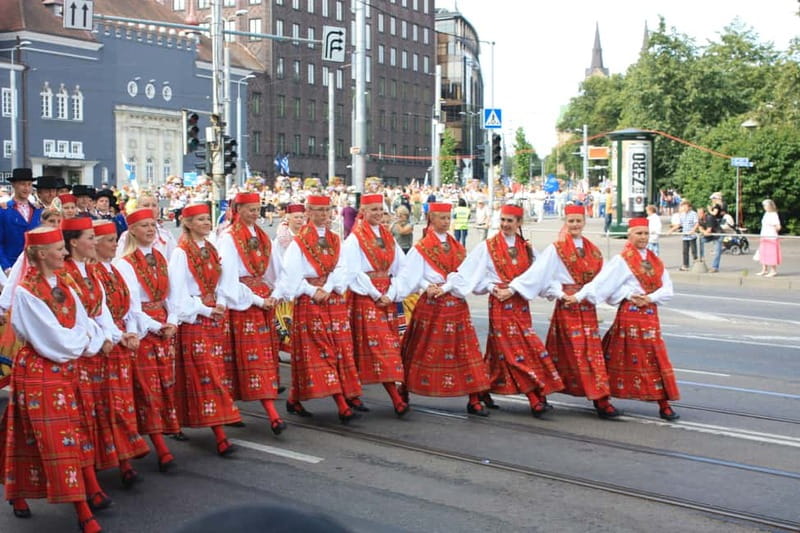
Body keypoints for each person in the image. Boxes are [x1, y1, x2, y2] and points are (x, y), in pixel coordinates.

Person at [0, 226, 107, 533]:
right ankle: (83, 510)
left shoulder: (65, 283)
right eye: (59, 249)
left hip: (67, 368)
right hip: (41, 370)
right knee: (57, 438)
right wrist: (80, 342)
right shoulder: (25, 291)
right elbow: (53, 341)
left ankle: (18, 491)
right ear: (41, 254)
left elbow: (83, 322)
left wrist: (84, 339)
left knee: (62, 433)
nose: (64, 253)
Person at [454, 204, 564, 417]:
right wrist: (492, 287)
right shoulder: (488, 246)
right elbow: (473, 272)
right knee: (515, 351)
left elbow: (539, 274)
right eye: (502, 220)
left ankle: (479, 394)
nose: (505, 225)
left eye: (509, 221)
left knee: (503, 351)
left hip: (520, 304)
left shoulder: (527, 247)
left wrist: (554, 292)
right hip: (500, 303)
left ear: (519, 223)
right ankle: (535, 398)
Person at [511, 205, 618, 419]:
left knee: (591, 352)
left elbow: (602, 278)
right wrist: (560, 294)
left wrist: (588, 294)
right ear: (565, 222)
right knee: (569, 352)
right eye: (571, 221)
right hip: (567, 304)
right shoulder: (556, 248)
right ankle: (545, 391)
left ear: (584, 222)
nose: (575, 225)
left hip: (585, 305)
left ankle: (601, 398)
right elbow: (543, 273)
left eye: (578, 221)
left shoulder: (593, 250)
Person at [570, 218, 680, 421]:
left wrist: (649, 297)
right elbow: (604, 283)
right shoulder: (623, 260)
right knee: (617, 355)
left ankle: (663, 403)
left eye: (646, 233)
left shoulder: (655, 260)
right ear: (629, 235)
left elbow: (667, 289)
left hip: (649, 315)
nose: (643, 237)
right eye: (639, 233)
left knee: (654, 357)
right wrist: (628, 294)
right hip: (629, 315)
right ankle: (602, 399)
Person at [396, 203, 491, 416]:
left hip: (455, 303)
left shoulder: (456, 246)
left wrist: (447, 286)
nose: (446, 222)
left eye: (448, 218)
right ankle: (404, 390)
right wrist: (425, 286)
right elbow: (410, 274)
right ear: (431, 218)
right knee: (419, 347)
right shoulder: (422, 247)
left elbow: (464, 273)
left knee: (466, 350)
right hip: (432, 304)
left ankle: (474, 397)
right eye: (442, 218)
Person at [59, 217, 126, 507]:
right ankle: (88, 486)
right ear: (74, 242)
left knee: (96, 415)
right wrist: (100, 341)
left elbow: (101, 311)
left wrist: (113, 335)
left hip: (96, 353)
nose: (94, 242)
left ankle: (96, 473)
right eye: (90, 237)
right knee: (79, 422)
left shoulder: (90, 271)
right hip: (80, 356)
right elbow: (76, 320)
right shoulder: (65, 275)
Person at [278, 195, 362, 423]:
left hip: (332, 299)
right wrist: (312, 290)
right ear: (308, 212)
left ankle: (295, 398)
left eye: (326, 210)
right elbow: (291, 274)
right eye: (318, 210)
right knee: (319, 351)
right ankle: (341, 404)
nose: (323, 215)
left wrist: (329, 286)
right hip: (311, 300)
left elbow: (343, 267)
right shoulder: (299, 242)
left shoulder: (336, 240)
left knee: (339, 350)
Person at [168, 203, 243, 454]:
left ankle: (179, 420)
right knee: (206, 375)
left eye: (207, 219)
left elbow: (223, 280)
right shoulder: (180, 253)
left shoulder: (210, 248)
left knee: (215, 373)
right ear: (188, 223)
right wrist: (206, 309)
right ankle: (220, 435)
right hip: (195, 321)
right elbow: (177, 295)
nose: (206, 223)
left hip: (213, 319)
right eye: (200, 220)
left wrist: (221, 302)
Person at [114, 208, 181, 472]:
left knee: (164, 385)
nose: (151, 230)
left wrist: (173, 320)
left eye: (153, 225)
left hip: (163, 327)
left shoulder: (161, 259)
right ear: (131, 230)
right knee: (146, 389)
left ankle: (159, 439)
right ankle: (159, 448)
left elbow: (171, 295)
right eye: (144, 226)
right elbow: (132, 305)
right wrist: (157, 326)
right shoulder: (125, 263)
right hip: (144, 330)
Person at [217, 193, 287, 435]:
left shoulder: (264, 236)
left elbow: (276, 270)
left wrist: (276, 293)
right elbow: (227, 280)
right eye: (250, 210)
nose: (255, 214)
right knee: (246, 359)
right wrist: (258, 299)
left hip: (263, 303)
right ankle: (269, 414)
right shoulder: (228, 238)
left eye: (258, 209)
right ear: (238, 210)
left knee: (262, 359)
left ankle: (258, 409)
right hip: (242, 304)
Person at [88, 220, 150, 489]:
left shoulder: (117, 269)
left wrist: (133, 331)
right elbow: (97, 313)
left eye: (115, 239)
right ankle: (113, 460)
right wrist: (116, 336)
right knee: (106, 405)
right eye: (109, 240)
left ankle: (125, 459)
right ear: (95, 244)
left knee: (122, 402)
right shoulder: (90, 272)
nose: (115, 244)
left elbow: (131, 307)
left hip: (121, 341)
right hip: (103, 346)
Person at [343, 194, 409, 417]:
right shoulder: (354, 239)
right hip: (365, 297)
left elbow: (402, 267)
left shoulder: (387, 237)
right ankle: (395, 398)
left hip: (385, 297)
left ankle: (351, 393)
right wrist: (374, 292)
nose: (378, 214)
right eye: (373, 210)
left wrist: (391, 293)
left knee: (381, 346)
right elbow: (353, 271)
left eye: (380, 210)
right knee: (382, 348)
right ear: (363, 211)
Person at [0, 168, 42, 275]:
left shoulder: (38, 211)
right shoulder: (4, 210)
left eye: (29, 184)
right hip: (12, 266)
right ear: (14, 185)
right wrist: (6, 266)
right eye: (22, 184)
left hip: (35, 267)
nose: (26, 188)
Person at [116, 192, 176, 260]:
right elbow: (118, 262)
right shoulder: (126, 236)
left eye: (154, 205)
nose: (150, 208)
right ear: (137, 208)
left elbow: (173, 262)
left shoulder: (166, 235)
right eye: (146, 205)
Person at [670, 199, 698, 271]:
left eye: (685, 207)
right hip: (685, 236)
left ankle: (696, 264)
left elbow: (697, 223)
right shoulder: (682, 215)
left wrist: (693, 230)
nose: (684, 208)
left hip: (692, 236)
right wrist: (672, 230)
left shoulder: (693, 213)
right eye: (683, 207)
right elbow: (679, 224)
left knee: (694, 251)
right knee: (685, 251)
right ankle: (685, 265)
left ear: (689, 207)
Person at [757, 199, 781, 277]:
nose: (764, 207)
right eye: (764, 205)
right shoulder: (766, 214)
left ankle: (773, 270)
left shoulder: (774, 214)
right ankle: (764, 269)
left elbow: (778, 226)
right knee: (763, 253)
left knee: (771, 253)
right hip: (764, 235)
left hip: (771, 236)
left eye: (765, 205)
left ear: (770, 206)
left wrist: (775, 228)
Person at [698, 205, 722, 273]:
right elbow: (700, 229)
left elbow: (709, 230)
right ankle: (701, 258)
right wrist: (703, 232)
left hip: (718, 234)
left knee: (717, 251)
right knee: (700, 240)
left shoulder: (709, 217)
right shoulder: (700, 219)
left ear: (704, 213)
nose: (699, 215)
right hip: (710, 235)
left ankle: (715, 267)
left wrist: (704, 232)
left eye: (700, 213)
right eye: (698, 213)